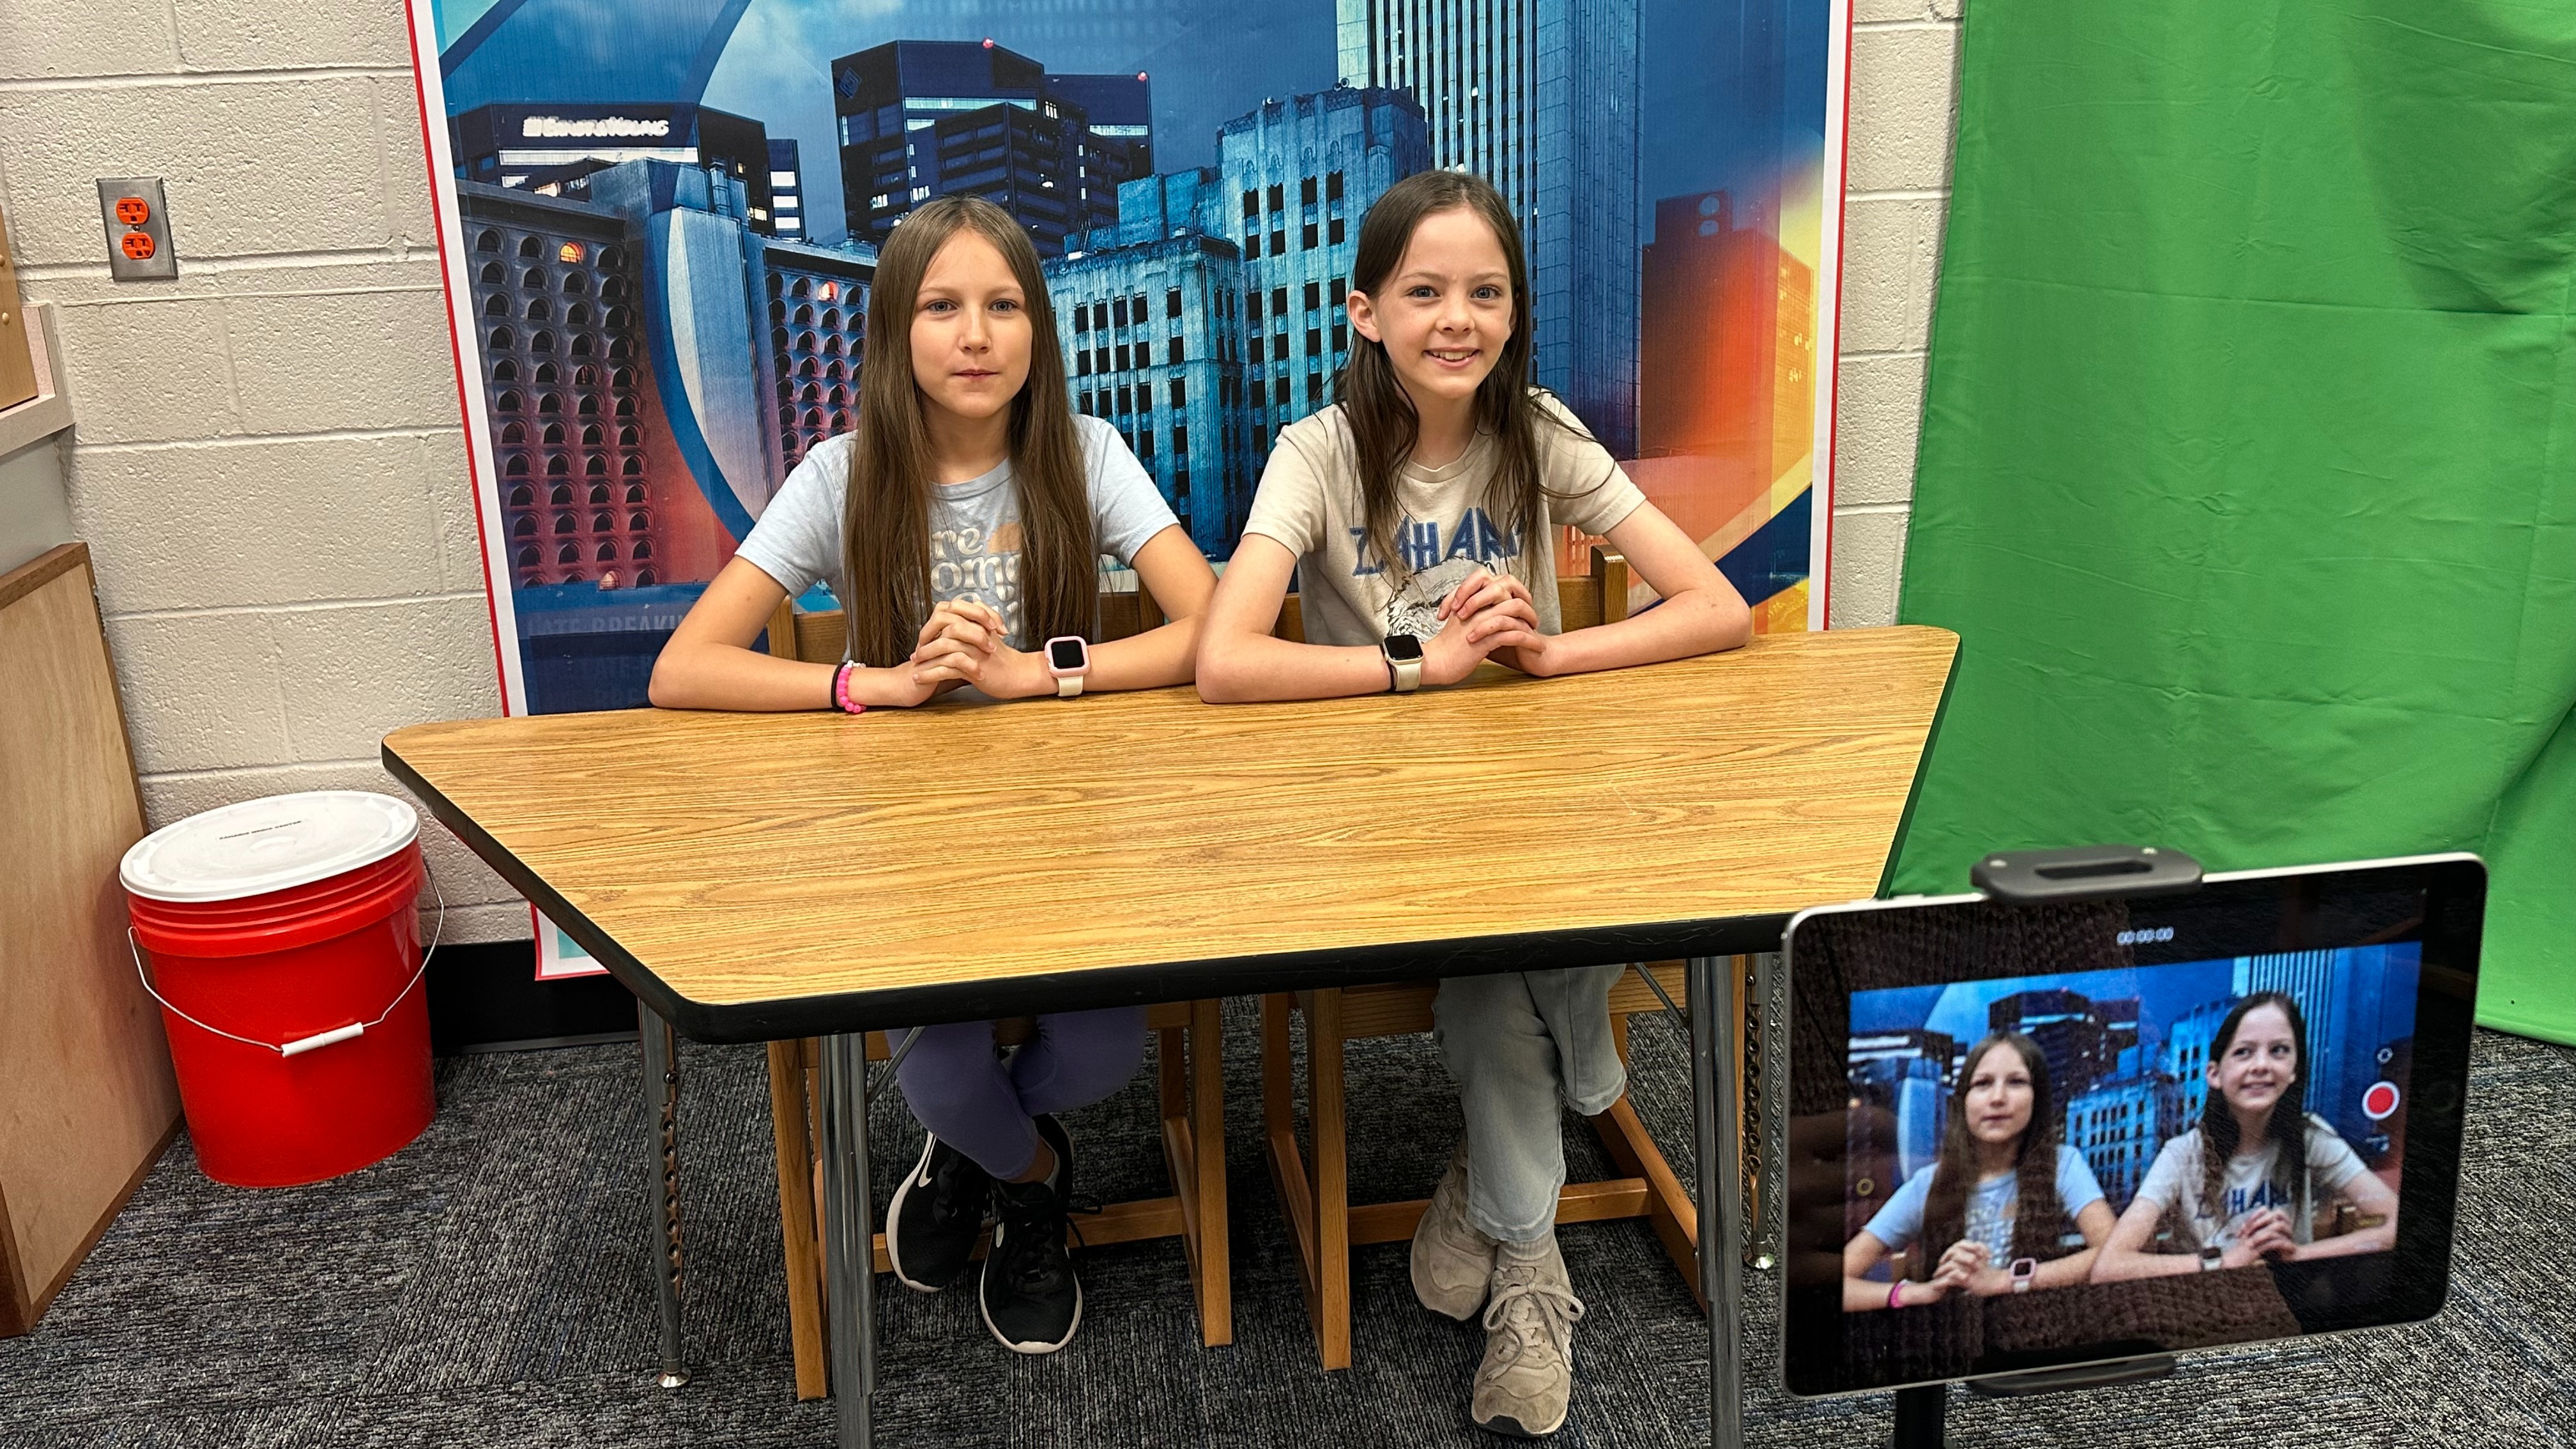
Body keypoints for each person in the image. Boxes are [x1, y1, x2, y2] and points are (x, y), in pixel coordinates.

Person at [1195, 169, 1752, 1438]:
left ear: (1513, 314)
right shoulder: (1318, 454)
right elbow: (1224, 660)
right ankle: (1539, 1246)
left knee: (1519, 965)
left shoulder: (1540, 433)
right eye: (1425, 291)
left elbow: (1714, 607)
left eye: (1485, 293)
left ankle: (1501, 1221)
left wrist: (1553, 656)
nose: (1457, 318)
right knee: (1527, 984)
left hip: (1542, 815)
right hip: (1391, 835)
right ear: (1364, 314)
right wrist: (1418, 666)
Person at [647, 195, 1218, 1355]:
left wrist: (1034, 678)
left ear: (1036, 331)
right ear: (894, 334)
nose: (975, 334)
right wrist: (870, 685)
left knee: (1105, 1048)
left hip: (1070, 828)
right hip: (909, 850)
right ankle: (1029, 1175)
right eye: (942, 306)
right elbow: (683, 668)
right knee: (948, 1074)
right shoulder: (840, 474)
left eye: (1003, 306)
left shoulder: (1086, 452)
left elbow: (1213, 629)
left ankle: (978, 1152)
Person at [2090, 991, 2398, 1280]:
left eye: (2278, 1051)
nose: (2261, 1066)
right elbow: (2110, 1267)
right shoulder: (2183, 1153)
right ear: (2214, 1074)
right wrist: (2225, 1261)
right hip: (2208, 1309)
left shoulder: (2309, 1137)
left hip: (2288, 1301)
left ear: (2294, 1070)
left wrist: (2299, 1255)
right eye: (2243, 1052)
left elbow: (2396, 1223)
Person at [1841, 1032, 2116, 1310]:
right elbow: (1839, 1280)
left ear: (2038, 1098)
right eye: (1983, 1084)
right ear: (1963, 1101)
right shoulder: (1927, 1184)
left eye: (2016, 1082)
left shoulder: (2063, 1164)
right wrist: (1917, 1293)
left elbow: (2114, 1254)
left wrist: (2004, 1281)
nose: (1998, 1098)